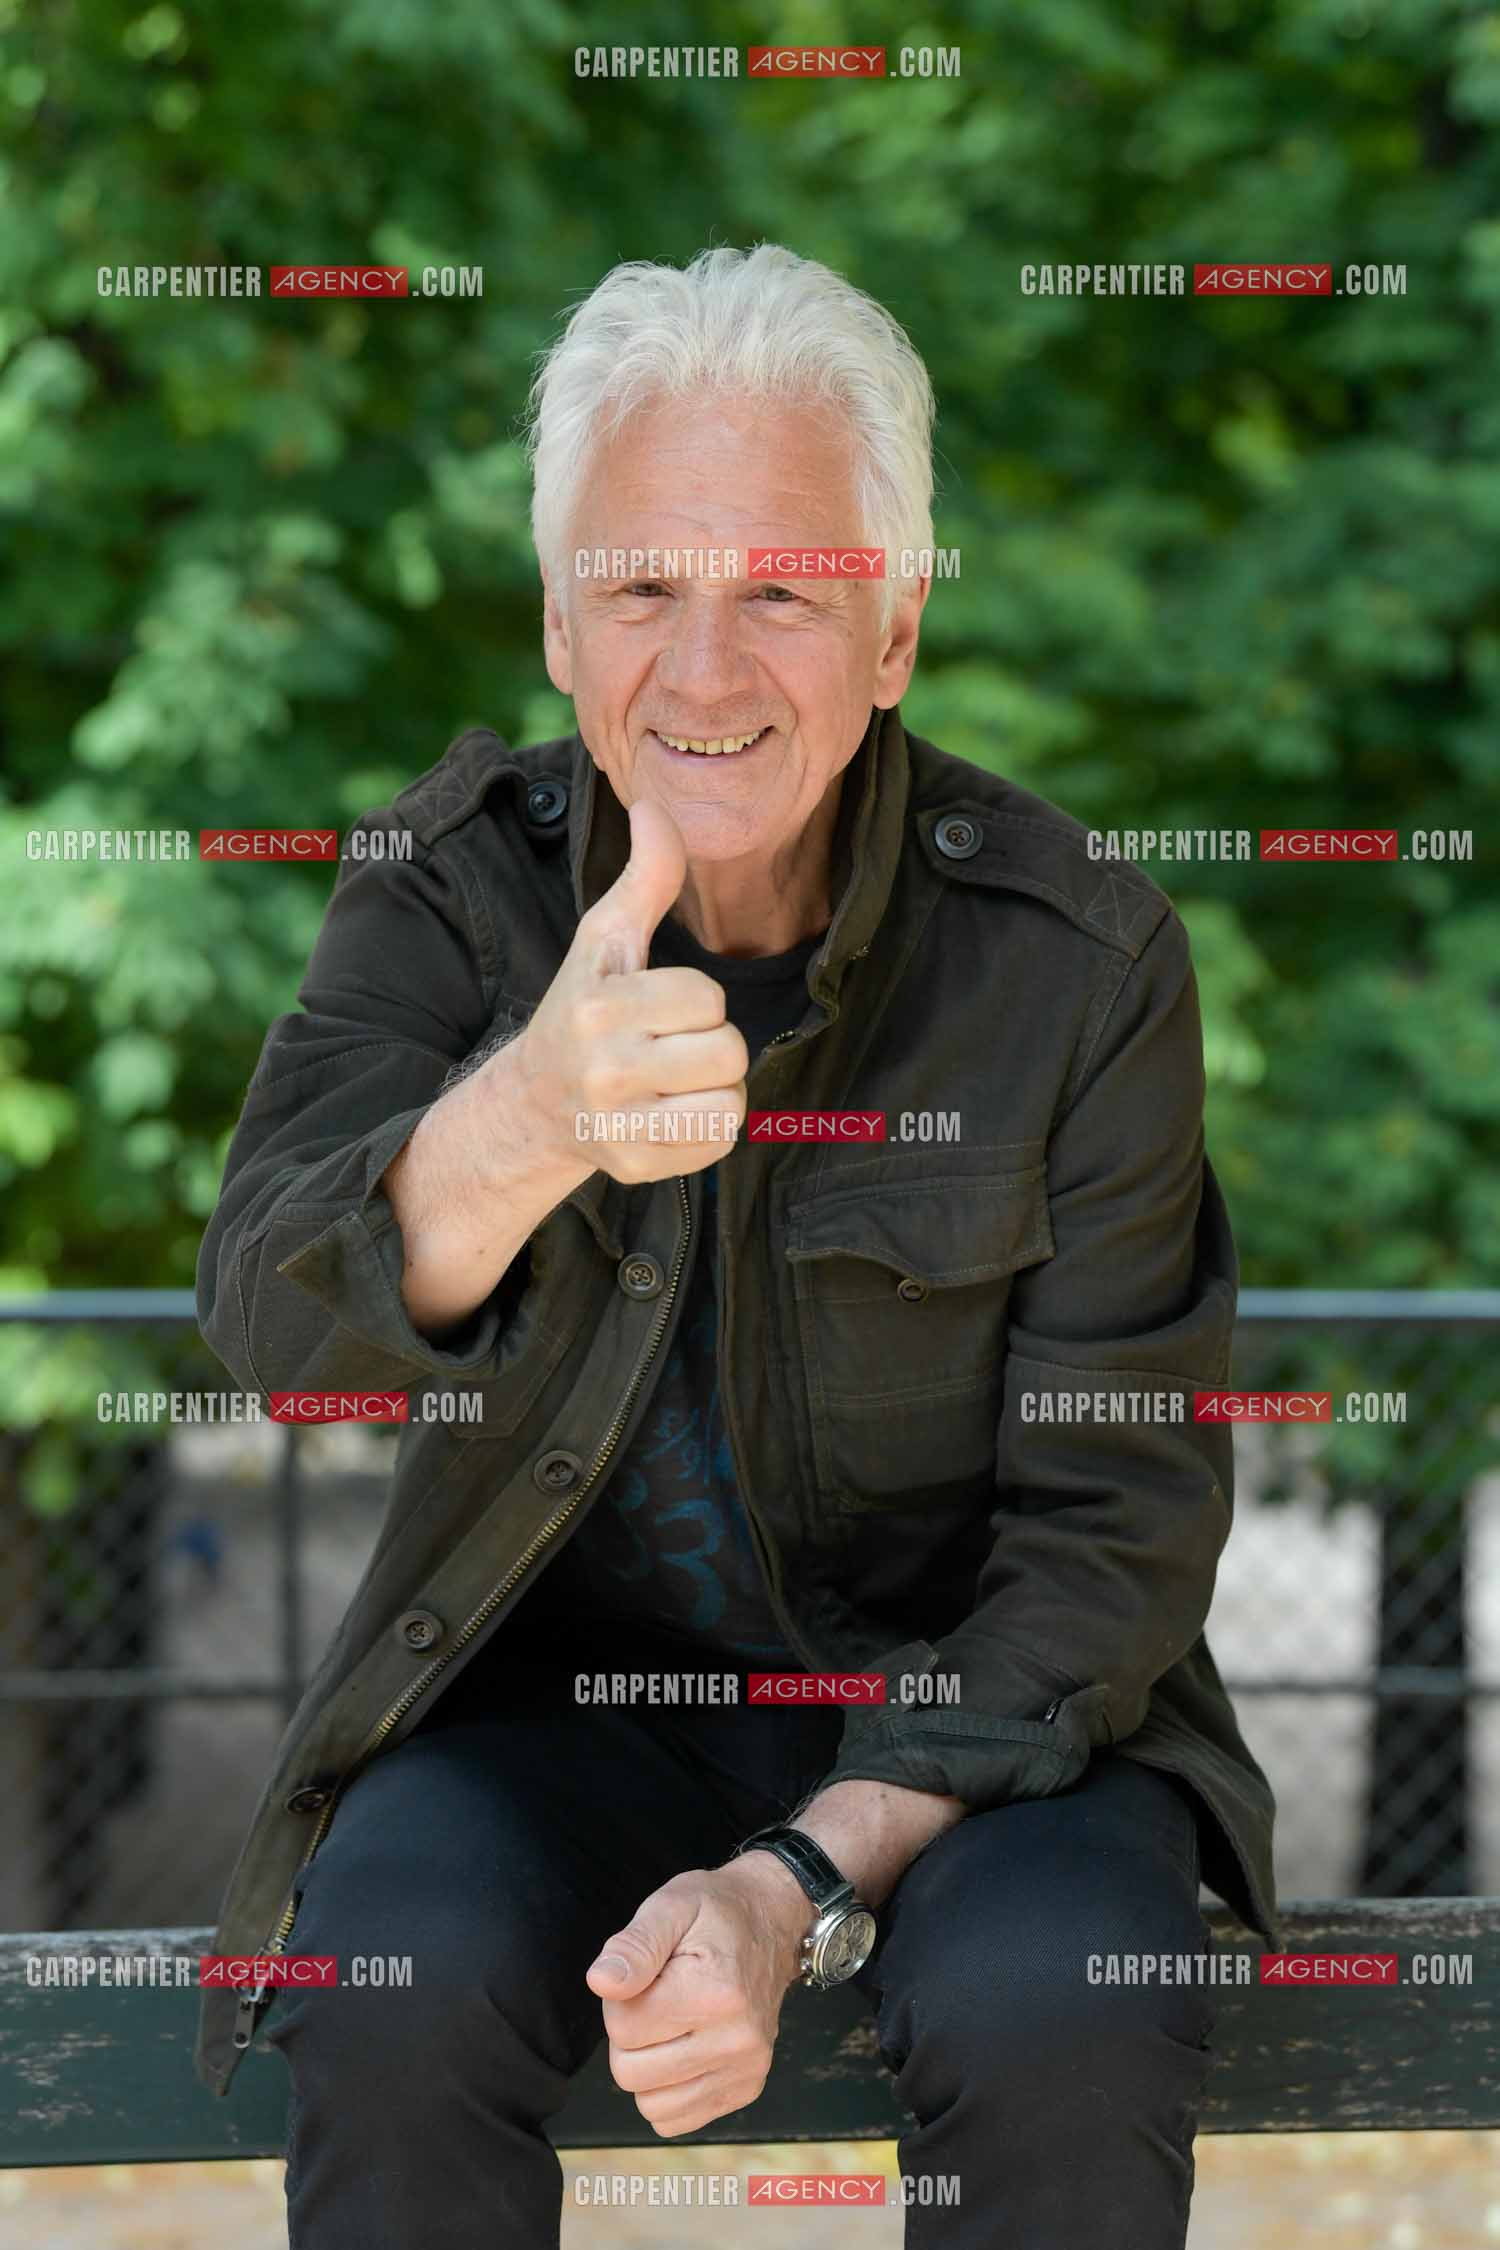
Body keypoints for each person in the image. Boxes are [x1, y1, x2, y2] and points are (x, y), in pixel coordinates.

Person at [194, 244, 1278, 2248]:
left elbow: (1114, 1527)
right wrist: (523, 1120)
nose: (701, 671)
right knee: (391, 1987)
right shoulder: (442, 902)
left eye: (780, 585)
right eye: (640, 589)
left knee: (1062, 2011)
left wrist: (800, 1875)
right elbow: (271, 1329)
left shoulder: (1087, 957)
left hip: (978, 1744)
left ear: (895, 629)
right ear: (554, 618)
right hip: (559, 1714)